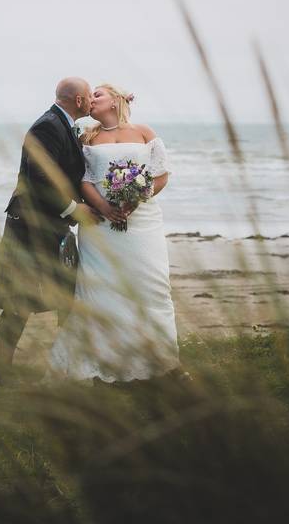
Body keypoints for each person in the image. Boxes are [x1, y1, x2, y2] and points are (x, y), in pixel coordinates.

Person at [46, 83, 182, 383]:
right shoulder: (87, 137)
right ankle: (102, 361)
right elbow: (83, 181)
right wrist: (106, 208)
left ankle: (163, 363)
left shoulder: (145, 132)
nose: (91, 100)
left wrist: (135, 199)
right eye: (90, 95)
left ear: (116, 100)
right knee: (102, 289)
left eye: (98, 95)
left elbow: (161, 175)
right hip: (101, 225)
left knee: (152, 287)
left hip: (142, 223)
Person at [0, 77, 107, 386]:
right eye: (90, 96)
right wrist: (75, 210)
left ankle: (68, 367)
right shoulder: (48, 126)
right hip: (32, 226)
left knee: (67, 296)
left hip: (53, 226)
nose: (92, 100)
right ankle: (2, 376)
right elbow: (40, 178)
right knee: (18, 302)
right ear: (78, 101)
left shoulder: (64, 125)